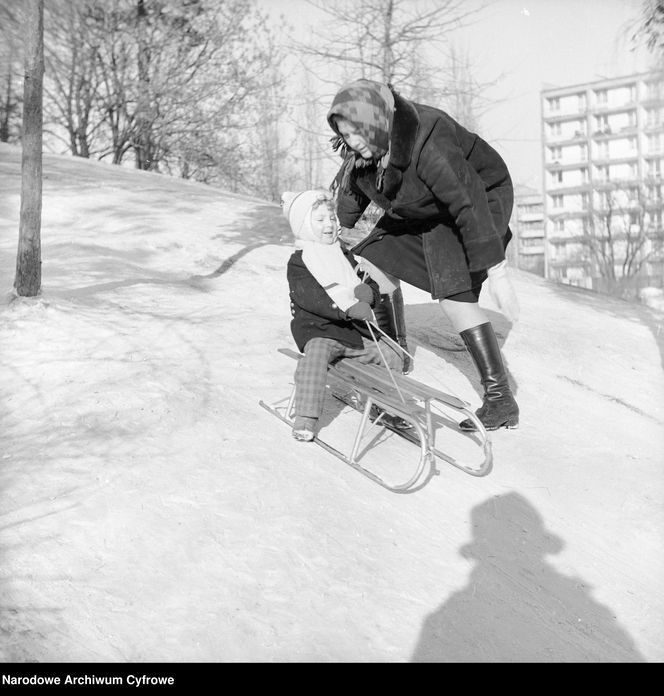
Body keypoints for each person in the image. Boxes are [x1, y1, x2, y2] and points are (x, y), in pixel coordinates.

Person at [326, 78, 520, 431]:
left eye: (356, 134)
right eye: (346, 136)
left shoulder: (429, 141)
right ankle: (394, 352)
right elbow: (352, 192)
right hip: (423, 206)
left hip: (477, 201)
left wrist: (495, 268)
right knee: (374, 253)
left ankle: (500, 398)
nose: (352, 143)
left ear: (375, 122)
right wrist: (333, 230)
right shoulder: (366, 147)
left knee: (453, 293)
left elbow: (467, 201)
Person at [282, 189, 403, 442]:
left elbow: (365, 281)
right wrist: (345, 310)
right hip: (321, 330)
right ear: (304, 225)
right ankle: (306, 417)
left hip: (353, 334)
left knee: (392, 355)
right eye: (320, 220)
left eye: (332, 218)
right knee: (314, 359)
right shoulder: (300, 261)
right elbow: (311, 298)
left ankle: (385, 404)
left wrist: (368, 292)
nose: (329, 224)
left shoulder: (343, 254)